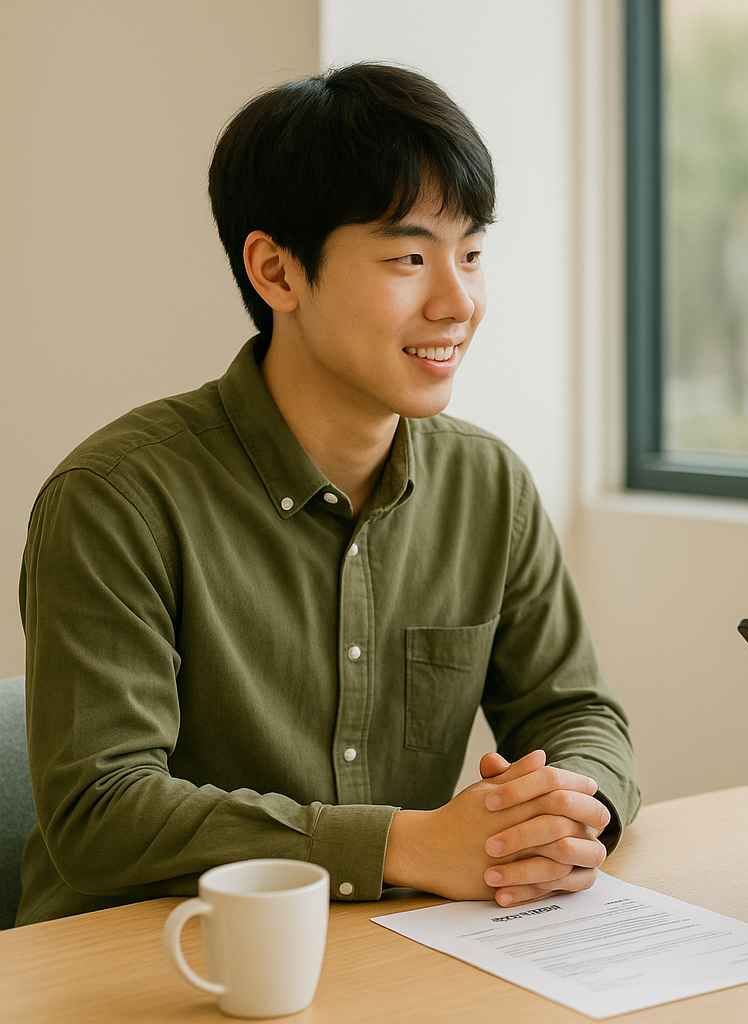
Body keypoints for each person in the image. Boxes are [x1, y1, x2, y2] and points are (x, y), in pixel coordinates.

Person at [16, 63, 637, 926]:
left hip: (382, 954)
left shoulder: (490, 485)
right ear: (277, 273)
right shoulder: (117, 498)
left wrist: (570, 810)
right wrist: (404, 845)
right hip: (147, 965)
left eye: (472, 254)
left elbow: (576, 711)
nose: (458, 301)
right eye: (411, 257)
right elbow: (102, 811)